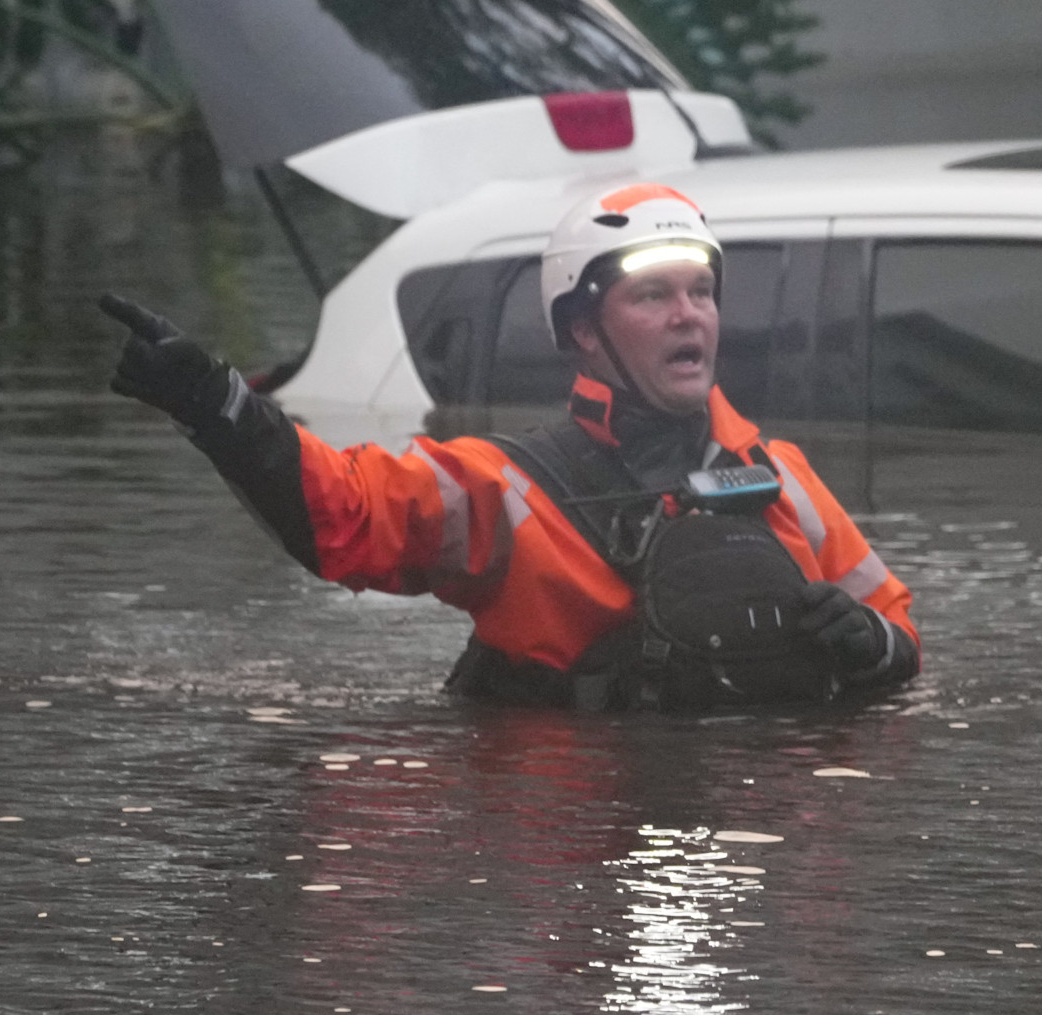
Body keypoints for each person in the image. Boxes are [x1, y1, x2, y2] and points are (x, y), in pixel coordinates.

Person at [97, 182, 919, 710]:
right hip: (570, 861)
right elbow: (340, 511)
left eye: (702, 291)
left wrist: (875, 645)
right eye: (653, 295)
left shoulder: (780, 477)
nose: (688, 315)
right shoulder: (501, 490)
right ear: (583, 331)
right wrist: (217, 402)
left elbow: (899, 629)